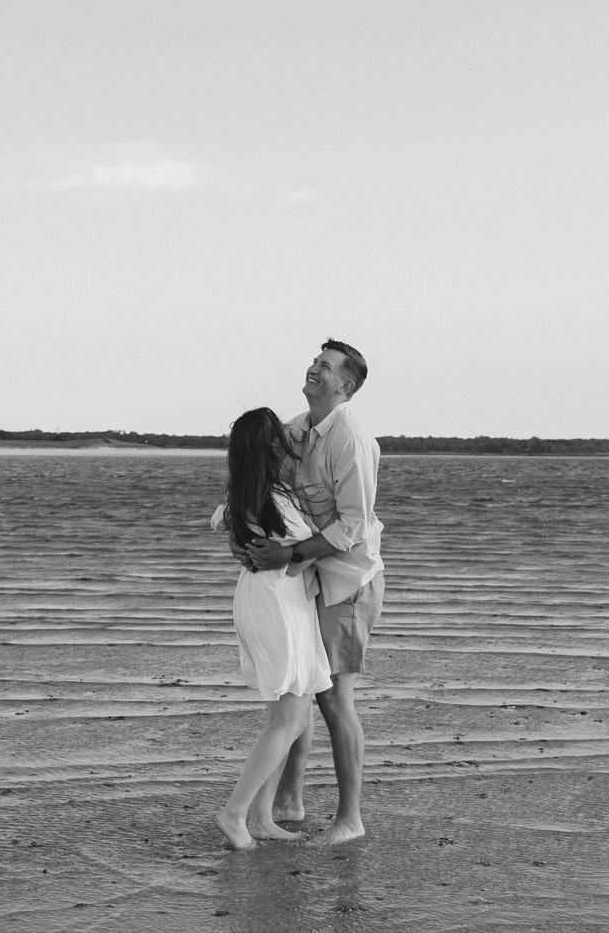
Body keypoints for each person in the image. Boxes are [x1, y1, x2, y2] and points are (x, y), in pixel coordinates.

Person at [244, 338, 383, 845]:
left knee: (334, 698)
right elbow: (263, 484)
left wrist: (289, 555)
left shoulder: (351, 438)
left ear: (346, 385)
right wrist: (237, 526)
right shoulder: (295, 430)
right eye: (313, 362)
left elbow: (354, 526)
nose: (313, 369)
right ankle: (288, 802)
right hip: (306, 579)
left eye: (324, 366)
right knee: (298, 687)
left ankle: (350, 820)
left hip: (347, 582)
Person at [211, 407, 332, 851]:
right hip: (278, 600)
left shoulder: (246, 492)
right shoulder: (274, 498)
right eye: (280, 438)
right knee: (290, 717)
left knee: (285, 714)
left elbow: (219, 519)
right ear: (270, 447)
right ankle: (234, 813)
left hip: (266, 595)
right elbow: (318, 543)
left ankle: (261, 817)